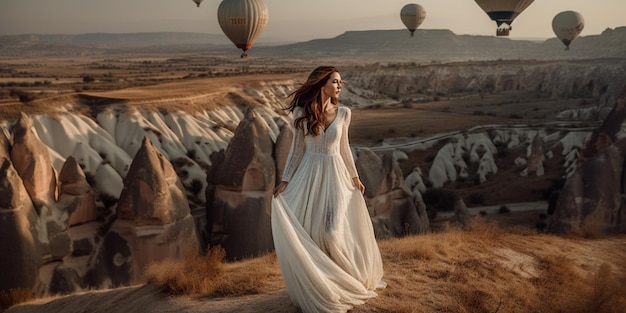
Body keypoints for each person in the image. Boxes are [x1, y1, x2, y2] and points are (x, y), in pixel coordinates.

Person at [271, 66, 386, 313]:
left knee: (331, 231)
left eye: (340, 82)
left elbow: (344, 148)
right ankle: (324, 285)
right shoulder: (302, 114)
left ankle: (343, 279)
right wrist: (285, 181)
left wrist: (355, 177)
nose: (339, 86)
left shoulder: (344, 113)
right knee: (311, 232)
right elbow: (295, 152)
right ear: (322, 84)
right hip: (309, 175)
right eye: (335, 81)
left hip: (336, 176)